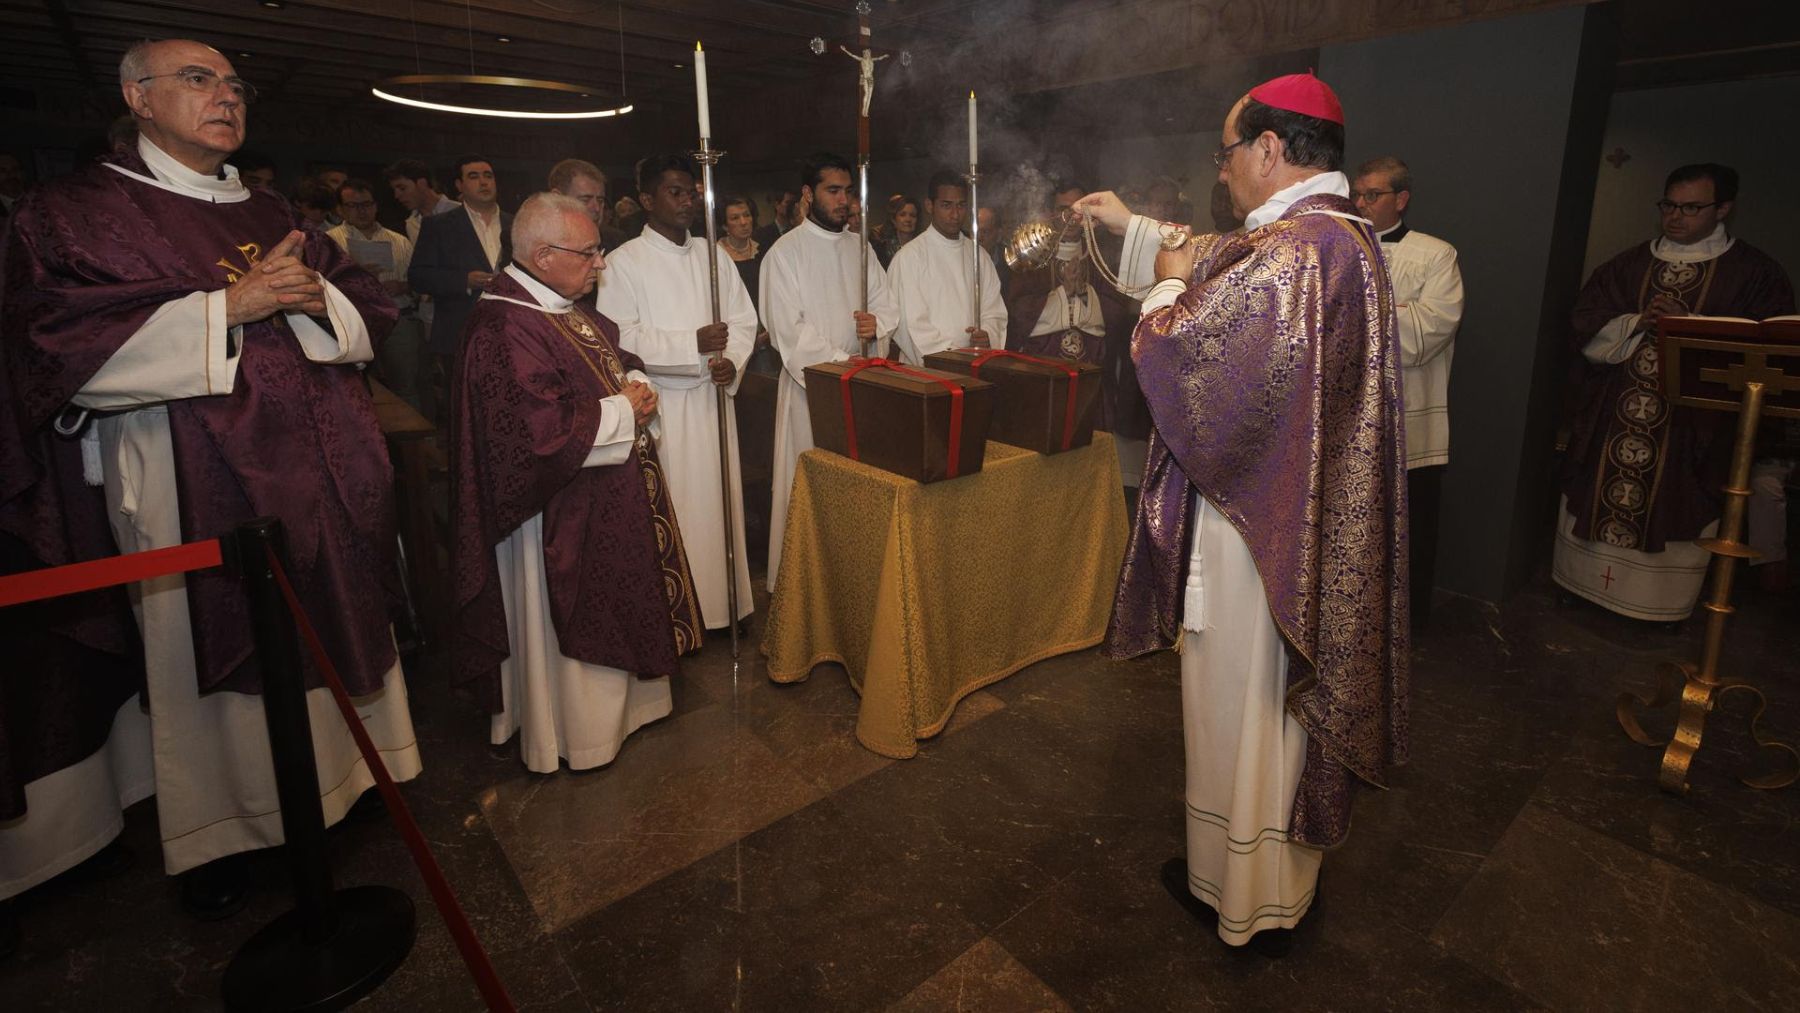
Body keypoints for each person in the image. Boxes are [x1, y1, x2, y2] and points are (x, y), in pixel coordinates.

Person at [0, 38, 422, 922]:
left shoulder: (268, 207)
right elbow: (47, 345)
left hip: (322, 460)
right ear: (137, 97)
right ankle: (223, 830)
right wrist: (229, 308)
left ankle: (347, 779)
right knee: (208, 636)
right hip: (185, 465)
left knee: (331, 613)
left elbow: (365, 303)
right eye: (198, 79)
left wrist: (319, 299)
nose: (226, 96)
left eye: (234, 84)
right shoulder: (75, 212)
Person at [1086, 71, 1407, 956]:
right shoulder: (1335, 236)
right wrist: (1131, 223)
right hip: (1295, 515)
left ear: (1269, 148)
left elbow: (1186, 353)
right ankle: (1272, 882)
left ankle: (1239, 894)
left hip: (1254, 528)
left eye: (1225, 151)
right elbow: (1217, 256)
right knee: (1272, 709)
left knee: (1242, 700)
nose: (1219, 169)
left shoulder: (1296, 250)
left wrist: (1161, 292)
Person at [449, 192, 702, 772]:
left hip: (602, 492)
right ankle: (578, 733)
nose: (600, 263)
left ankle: (629, 709)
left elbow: (613, 353)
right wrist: (624, 409)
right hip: (550, 513)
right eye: (589, 253)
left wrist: (635, 379)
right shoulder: (503, 325)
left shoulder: (558, 304)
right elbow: (535, 435)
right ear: (543, 256)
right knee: (568, 618)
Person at [1556, 163, 1794, 623]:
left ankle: (1655, 608)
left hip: (1690, 423)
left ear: (1723, 209)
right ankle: (1581, 586)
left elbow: (1769, 350)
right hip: (1615, 410)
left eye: (1691, 208)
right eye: (1669, 205)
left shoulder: (1754, 273)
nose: (1675, 216)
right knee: (1595, 486)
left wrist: (1689, 328)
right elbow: (1584, 321)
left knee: (1679, 499)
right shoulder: (1627, 265)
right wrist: (1635, 322)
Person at [596, 154, 757, 635]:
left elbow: (743, 320)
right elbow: (619, 338)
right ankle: (680, 612)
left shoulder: (713, 256)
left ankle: (727, 606)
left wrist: (732, 360)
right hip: (664, 405)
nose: (687, 201)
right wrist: (692, 345)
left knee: (719, 508)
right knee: (679, 509)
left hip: (713, 397)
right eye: (675, 192)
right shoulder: (623, 262)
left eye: (691, 191)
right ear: (647, 200)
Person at [759, 151, 898, 588]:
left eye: (847, 192)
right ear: (808, 194)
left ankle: (856, 583)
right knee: (812, 494)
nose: (843, 201)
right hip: (812, 392)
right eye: (832, 191)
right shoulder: (784, 254)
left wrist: (877, 326)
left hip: (863, 385)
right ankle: (805, 591)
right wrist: (842, 363)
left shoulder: (861, 248)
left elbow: (886, 303)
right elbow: (788, 330)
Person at [1352, 156, 1464, 630]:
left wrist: (1363, 312)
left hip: (1409, 413)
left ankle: (1403, 622)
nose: (1361, 203)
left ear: (1401, 199)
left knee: (1408, 525)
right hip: (1348, 413)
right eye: (1357, 194)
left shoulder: (1436, 254)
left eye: (1372, 195)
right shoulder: (1341, 250)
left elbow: (1433, 326)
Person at [408, 154, 511, 425]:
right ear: (459, 185)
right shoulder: (439, 225)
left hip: (513, 331)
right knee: (465, 412)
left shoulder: (516, 223)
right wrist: (463, 280)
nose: (483, 182)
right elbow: (418, 277)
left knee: (508, 406)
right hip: (460, 329)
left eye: (488, 176)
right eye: (473, 177)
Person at [888, 169, 1005, 362]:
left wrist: (988, 335)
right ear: (929, 205)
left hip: (975, 365)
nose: (955, 214)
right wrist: (951, 360)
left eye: (961, 205)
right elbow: (910, 325)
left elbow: (994, 310)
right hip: (925, 372)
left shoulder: (979, 256)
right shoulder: (909, 258)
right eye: (946, 205)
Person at [328, 177, 424, 410]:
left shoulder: (399, 240)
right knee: (354, 389)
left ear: (376, 206)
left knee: (406, 386)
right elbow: (321, 284)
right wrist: (355, 276)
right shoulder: (330, 241)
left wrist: (402, 286)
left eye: (367, 204)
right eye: (353, 205)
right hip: (351, 321)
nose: (361, 211)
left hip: (398, 318)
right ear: (340, 209)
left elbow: (420, 282)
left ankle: (412, 433)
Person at [547, 157, 627, 253]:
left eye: (600, 200)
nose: (597, 208)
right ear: (557, 198)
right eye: (585, 200)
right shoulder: (539, 241)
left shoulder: (616, 243)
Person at [385, 158, 460, 244]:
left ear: (422, 183)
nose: (397, 196)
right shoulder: (411, 224)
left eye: (402, 188)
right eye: (394, 190)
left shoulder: (461, 212)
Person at [870, 192, 918, 267]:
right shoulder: (882, 249)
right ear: (893, 219)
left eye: (912, 215)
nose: (908, 219)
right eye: (902, 215)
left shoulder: (921, 247)